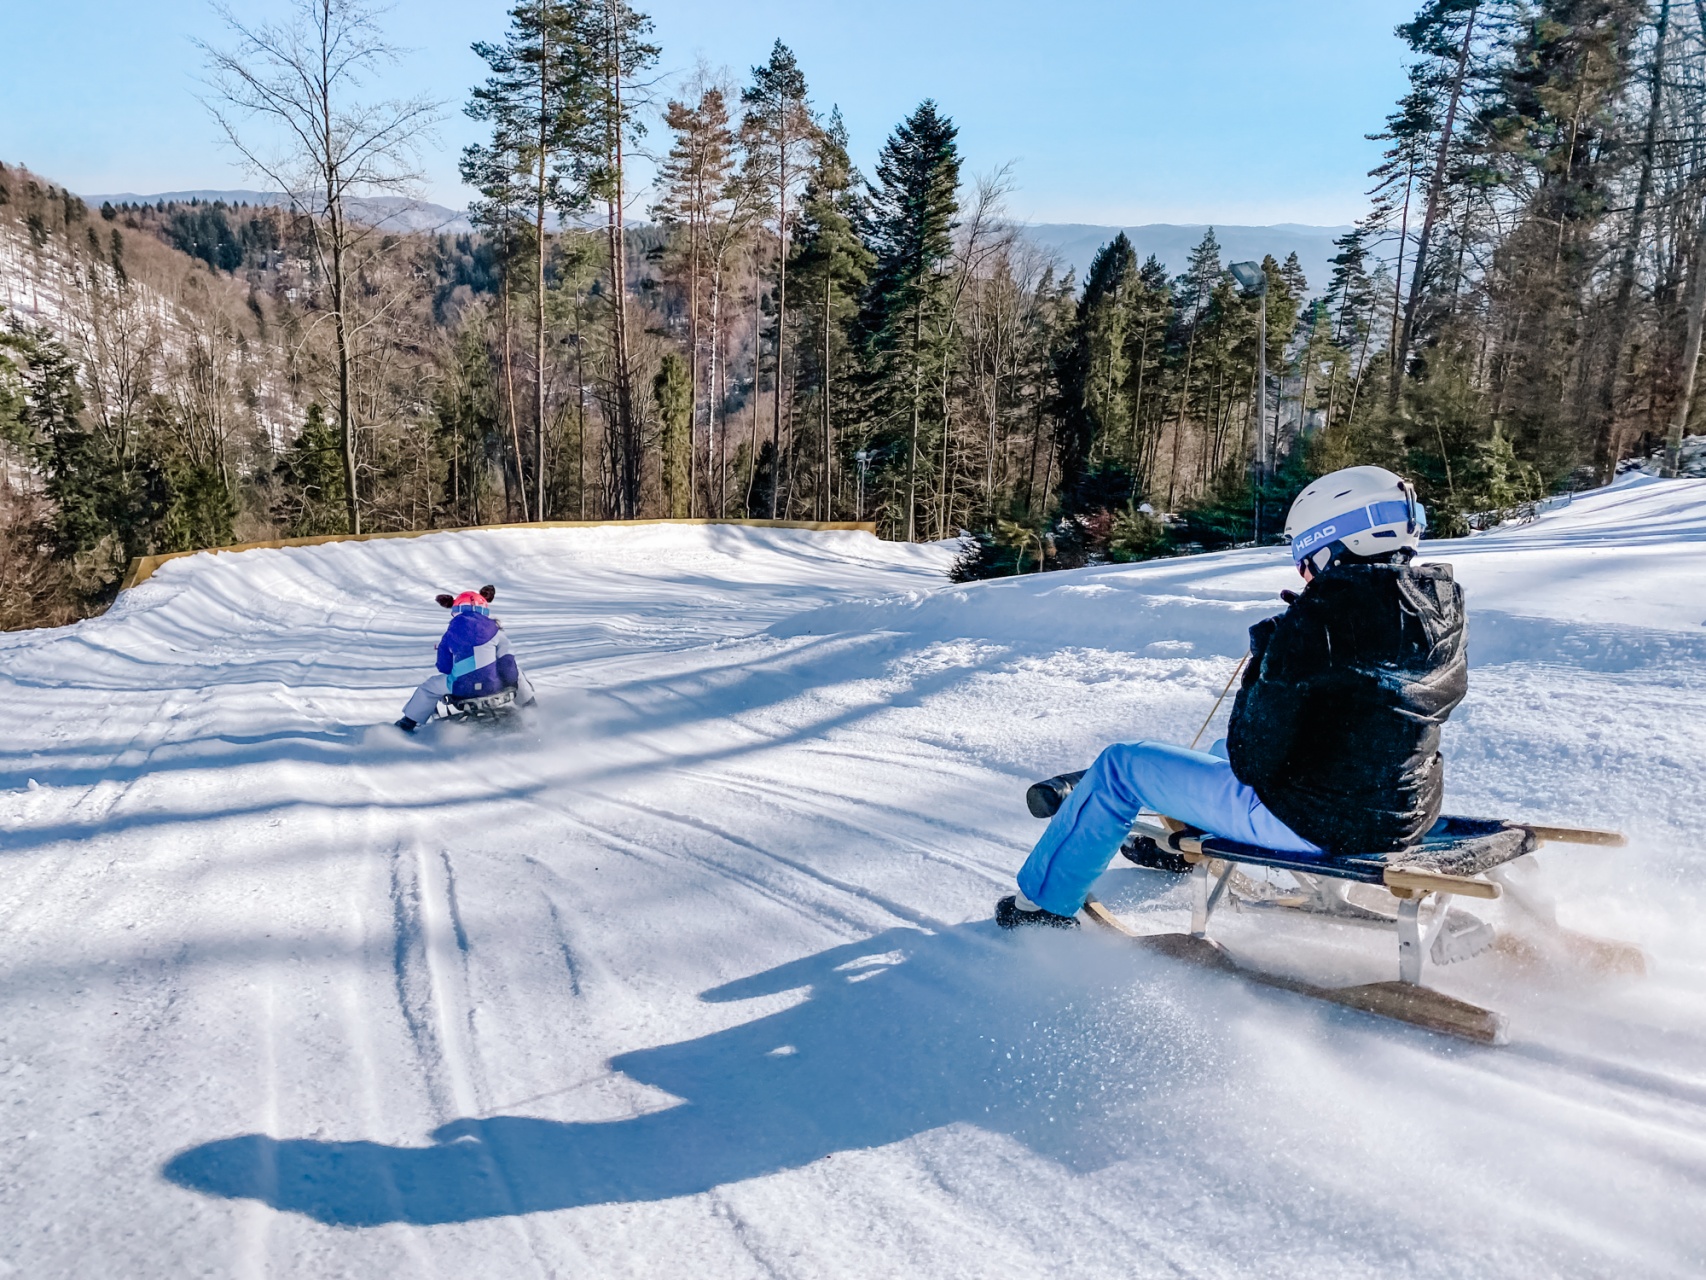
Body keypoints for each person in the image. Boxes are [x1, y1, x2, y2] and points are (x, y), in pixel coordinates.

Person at [999, 465, 1468, 928]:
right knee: (1214, 754)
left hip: (1320, 824)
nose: (1304, 571)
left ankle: (1041, 905)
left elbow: (1252, 760)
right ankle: (1181, 842)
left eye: (1305, 555)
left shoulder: (1317, 622)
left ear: (1336, 542)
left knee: (1122, 765)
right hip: (1406, 811)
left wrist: (1266, 662)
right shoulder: (1439, 605)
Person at [395, 585, 537, 732]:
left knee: (429, 688)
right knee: (517, 673)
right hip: (493, 685)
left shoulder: (450, 634)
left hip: (461, 687)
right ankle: (530, 709)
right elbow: (507, 663)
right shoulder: (497, 633)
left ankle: (409, 722)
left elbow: (443, 666)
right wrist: (507, 682)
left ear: (456, 610)